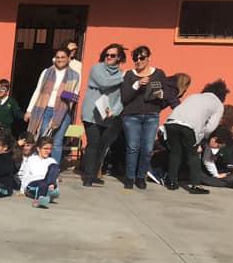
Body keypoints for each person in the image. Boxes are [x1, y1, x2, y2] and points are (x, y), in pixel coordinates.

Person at [164, 80, 227, 194]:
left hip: (171, 122)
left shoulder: (194, 96)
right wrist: (200, 140)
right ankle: (195, 185)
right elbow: (210, 127)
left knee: (175, 152)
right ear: (223, 95)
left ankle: (172, 182)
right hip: (190, 126)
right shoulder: (218, 104)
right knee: (193, 155)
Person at [120, 45, 169, 190]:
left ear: (148, 58)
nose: (139, 61)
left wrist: (160, 94)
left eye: (142, 58)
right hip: (131, 115)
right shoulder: (129, 75)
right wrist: (136, 85)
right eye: (136, 58)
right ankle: (129, 177)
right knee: (133, 147)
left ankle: (141, 177)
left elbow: (165, 93)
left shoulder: (158, 73)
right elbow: (124, 97)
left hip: (151, 115)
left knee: (147, 148)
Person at [24, 47, 81, 164]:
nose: (60, 60)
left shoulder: (75, 75)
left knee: (57, 141)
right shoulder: (46, 72)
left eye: (63, 57)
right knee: (43, 138)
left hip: (63, 112)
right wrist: (29, 110)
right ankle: (40, 164)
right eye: (58, 57)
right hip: (45, 110)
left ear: (68, 58)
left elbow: (75, 96)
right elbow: (38, 91)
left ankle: (53, 168)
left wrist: (64, 94)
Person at [81, 44, 126, 187]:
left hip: (107, 115)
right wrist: (123, 78)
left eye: (112, 55)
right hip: (92, 113)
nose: (108, 57)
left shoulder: (121, 73)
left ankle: (94, 174)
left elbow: (121, 97)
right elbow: (103, 83)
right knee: (93, 143)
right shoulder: (97, 68)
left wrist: (116, 111)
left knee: (102, 145)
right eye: (107, 54)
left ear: (119, 57)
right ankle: (88, 176)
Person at [19, 136, 60, 207]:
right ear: (38, 149)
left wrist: (55, 185)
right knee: (42, 184)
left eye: (50, 149)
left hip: (47, 184)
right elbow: (25, 175)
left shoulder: (52, 161)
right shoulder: (32, 159)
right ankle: (41, 199)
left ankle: (49, 192)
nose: (48, 151)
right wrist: (22, 190)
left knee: (54, 166)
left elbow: (53, 176)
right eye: (45, 148)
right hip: (33, 185)